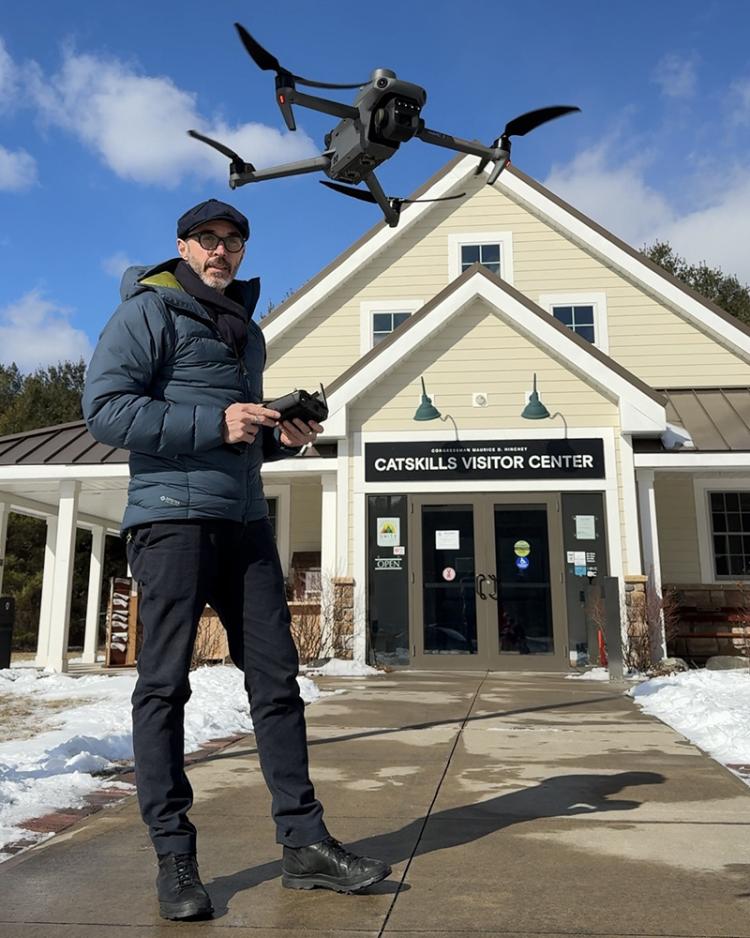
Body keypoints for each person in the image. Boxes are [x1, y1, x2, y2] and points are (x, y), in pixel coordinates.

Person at [82, 199, 390, 921]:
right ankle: (175, 858)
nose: (222, 251)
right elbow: (105, 410)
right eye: (208, 240)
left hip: (245, 522)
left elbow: (234, 432)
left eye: (234, 242)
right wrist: (215, 421)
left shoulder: (246, 330)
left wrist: (275, 434)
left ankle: (305, 846)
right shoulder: (148, 312)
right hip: (170, 522)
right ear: (183, 246)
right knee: (164, 687)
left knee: (278, 684)